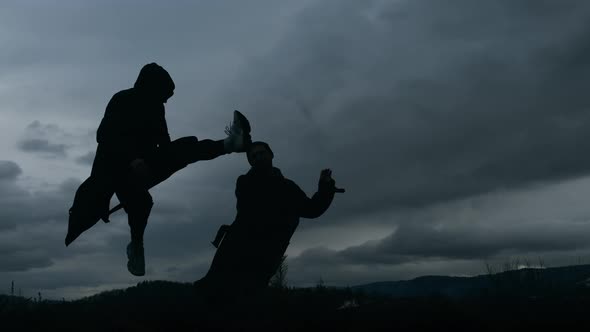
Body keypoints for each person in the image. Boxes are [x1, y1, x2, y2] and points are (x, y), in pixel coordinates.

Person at [67, 63, 252, 276]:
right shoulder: (122, 99)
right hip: (115, 169)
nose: (166, 101)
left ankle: (229, 145)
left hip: (144, 165)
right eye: (165, 95)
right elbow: (105, 136)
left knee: (182, 148)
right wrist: (132, 159)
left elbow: (163, 142)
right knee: (142, 201)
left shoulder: (157, 108)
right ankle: (136, 246)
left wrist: (179, 152)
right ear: (150, 87)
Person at [196, 141, 343, 299]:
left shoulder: (288, 187)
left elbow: (312, 209)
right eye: (253, 156)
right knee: (211, 293)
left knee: (246, 301)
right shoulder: (245, 182)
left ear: (271, 155)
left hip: (264, 259)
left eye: (261, 153)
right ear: (250, 162)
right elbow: (252, 202)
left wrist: (325, 187)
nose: (258, 157)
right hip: (234, 252)